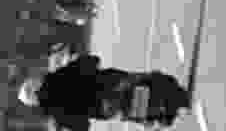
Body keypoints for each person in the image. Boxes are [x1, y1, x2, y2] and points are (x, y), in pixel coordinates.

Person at [18, 52, 184, 126]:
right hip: (110, 84)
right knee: (143, 78)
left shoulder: (55, 113)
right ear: (35, 85)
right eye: (34, 80)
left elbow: (82, 125)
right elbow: (88, 63)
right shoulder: (57, 77)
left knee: (130, 114)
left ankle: (159, 116)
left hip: (106, 108)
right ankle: (168, 94)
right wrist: (89, 61)